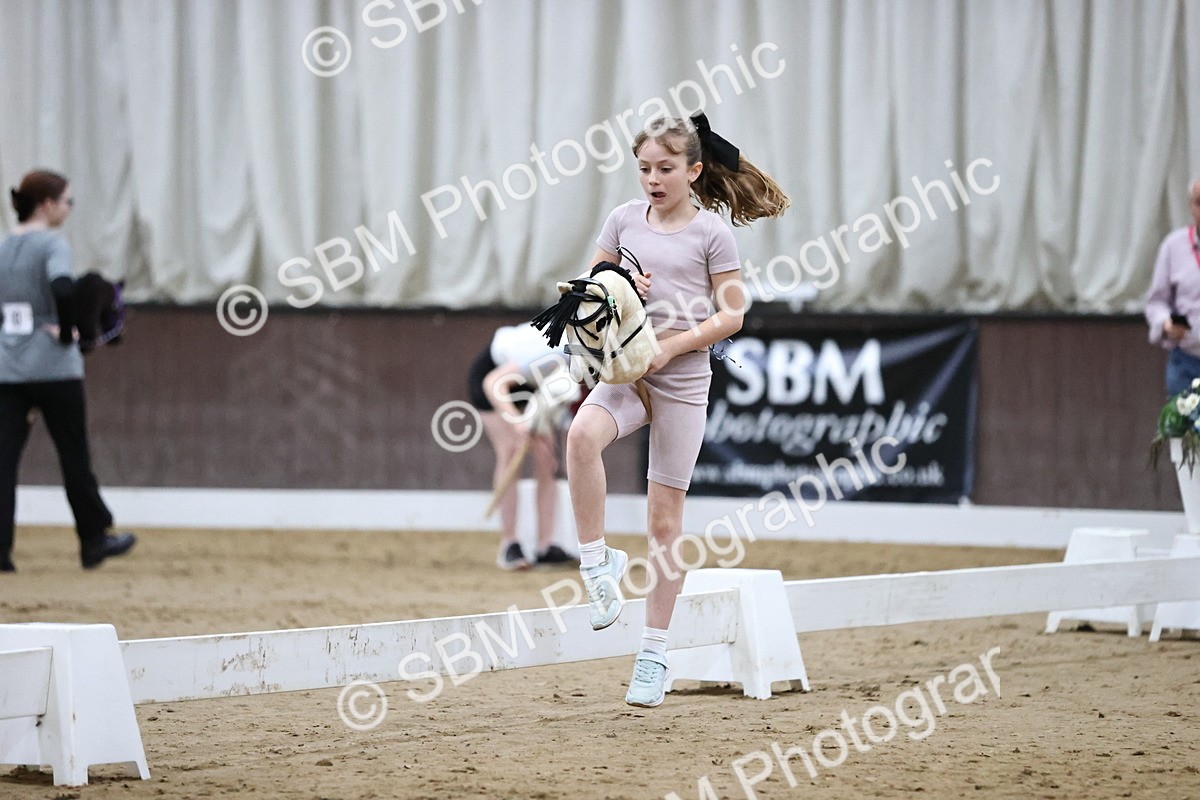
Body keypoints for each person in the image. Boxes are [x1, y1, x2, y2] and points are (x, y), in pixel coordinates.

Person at [566, 113, 788, 706]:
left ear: (693, 171)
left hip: (682, 378)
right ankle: (597, 561)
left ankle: (654, 651)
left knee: (664, 523)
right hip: (628, 370)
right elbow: (594, 283)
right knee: (581, 436)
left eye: (665, 169)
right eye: (643, 169)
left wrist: (672, 346)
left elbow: (732, 314)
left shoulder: (712, 233)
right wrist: (617, 285)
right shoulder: (622, 219)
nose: (652, 180)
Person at [0, 169, 136, 572]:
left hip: (8, 366)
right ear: (47, 204)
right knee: (74, 455)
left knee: (3, 461)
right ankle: (94, 539)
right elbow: (62, 287)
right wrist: (66, 332)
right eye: (67, 202)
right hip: (54, 368)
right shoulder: (52, 245)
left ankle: (0, 550)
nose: (69, 208)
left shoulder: (4, 247)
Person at [467, 323, 577, 570]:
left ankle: (545, 546)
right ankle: (510, 545)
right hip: (494, 378)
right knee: (511, 449)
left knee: (547, 459)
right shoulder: (550, 349)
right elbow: (493, 383)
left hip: (533, 388)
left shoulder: (588, 351)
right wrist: (517, 423)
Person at [1146, 178, 1200, 397]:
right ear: (1190, 206)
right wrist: (1167, 323)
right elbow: (1156, 302)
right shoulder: (1174, 246)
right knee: (1183, 419)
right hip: (1186, 361)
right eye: (1199, 202)